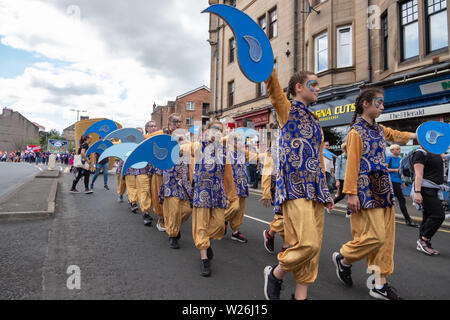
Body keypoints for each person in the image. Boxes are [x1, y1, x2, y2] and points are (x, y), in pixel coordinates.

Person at [332, 87, 416, 300]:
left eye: (382, 103)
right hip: (365, 190)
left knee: (386, 239)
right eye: (378, 103)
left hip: (384, 189)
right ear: (365, 104)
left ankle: (379, 284)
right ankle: (344, 258)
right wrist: (350, 193)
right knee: (374, 237)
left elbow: (398, 135)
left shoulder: (379, 129)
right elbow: (351, 164)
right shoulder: (355, 133)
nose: (382, 106)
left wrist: (421, 135)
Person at [263, 68, 334, 301]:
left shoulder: (315, 120)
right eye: (314, 84)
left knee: (312, 251)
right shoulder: (287, 111)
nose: (319, 88)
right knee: (308, 244)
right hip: (294, 188)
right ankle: (276, 273)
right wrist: (268, 66)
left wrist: (326, 192)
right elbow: (274, 90)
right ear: (298, 87)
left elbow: (317, 158)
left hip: (315, 190)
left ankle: (300, 296)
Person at [191, 120, 237, 277]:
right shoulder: (198, 145)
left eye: (220, 130)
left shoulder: (224, 151)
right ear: (207, 130)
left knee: (219, 225)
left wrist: (231, 195)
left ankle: (204, 240)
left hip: (217, 191)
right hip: (202, 190)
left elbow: (228, 175)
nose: (218, 132)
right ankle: (204, 258)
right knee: (202, 224)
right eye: (215, 129)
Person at [159, 132, 192, 249]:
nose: (181, 141)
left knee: (187, 211)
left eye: (182, 139)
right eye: (179, 139)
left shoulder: (188, 155)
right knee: (174, 212)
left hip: (184, 188)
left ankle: (174, 226)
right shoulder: (166, 154)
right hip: (171, 187)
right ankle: (173, 235)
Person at [413, 150, 447, 256]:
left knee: (428, 215)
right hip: (424, 189)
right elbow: (418, 174)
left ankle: (423, 242)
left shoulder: (437, 153)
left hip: (434, 189)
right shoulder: (420, 153)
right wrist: (417, 192)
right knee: (438, 215)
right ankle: (424, 239)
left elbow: (445, 155)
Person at [386, 144, 417, 227]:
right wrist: (395, 170)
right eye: (397, 149)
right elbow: (384, 169)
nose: (399, 150)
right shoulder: (389, 158)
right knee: (401, 199)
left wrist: (403, 182)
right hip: (390, 182)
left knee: (392, 200)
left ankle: (406, 219)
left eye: (399, 149)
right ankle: (408, 219)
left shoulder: (400, 159)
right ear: (392, 150)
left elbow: (402, 172)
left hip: (398, 182)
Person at [332, 143, 351, 217]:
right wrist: (337, 180)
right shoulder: (340, 158)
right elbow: (337, 169)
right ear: (343, 149)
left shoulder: (351, 157)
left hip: (350, 179)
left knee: (351, 195)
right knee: (342, 196)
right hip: (342, 179)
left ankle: (348, 212)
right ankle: (331, 203)